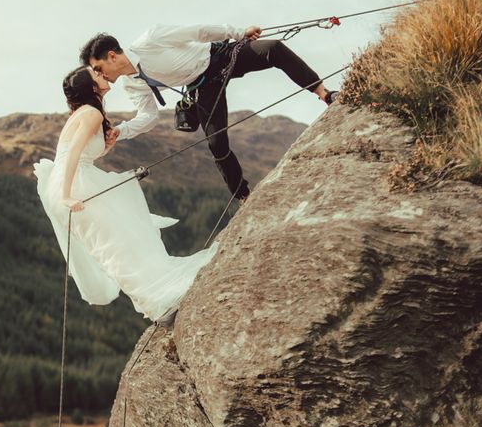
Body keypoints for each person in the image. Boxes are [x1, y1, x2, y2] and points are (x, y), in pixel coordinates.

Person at [33, 66, 218, 325]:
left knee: (113, 245)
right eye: (96, 74)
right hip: (74, 185)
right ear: (91, 86)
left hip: (67, 185)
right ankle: (159, 299)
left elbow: (80, 154)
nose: (102, 74)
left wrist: (104, 149)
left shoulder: (82, 114)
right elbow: (73, 154)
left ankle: (156, 303)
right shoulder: (91, 113)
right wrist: (66, 195)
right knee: (120, 243)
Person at [80, 24, 337, 203]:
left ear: (112, 56)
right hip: (203, 87)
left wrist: (238, 32)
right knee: (217, 145)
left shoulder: (150, 40)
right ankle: (243, 197)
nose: (99, 75)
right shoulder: (131, 83)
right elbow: (148, 116)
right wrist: (120, 131)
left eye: (98, 68)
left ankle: (325, 94)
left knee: (273, 49)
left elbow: (198, 32)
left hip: (219, 58)